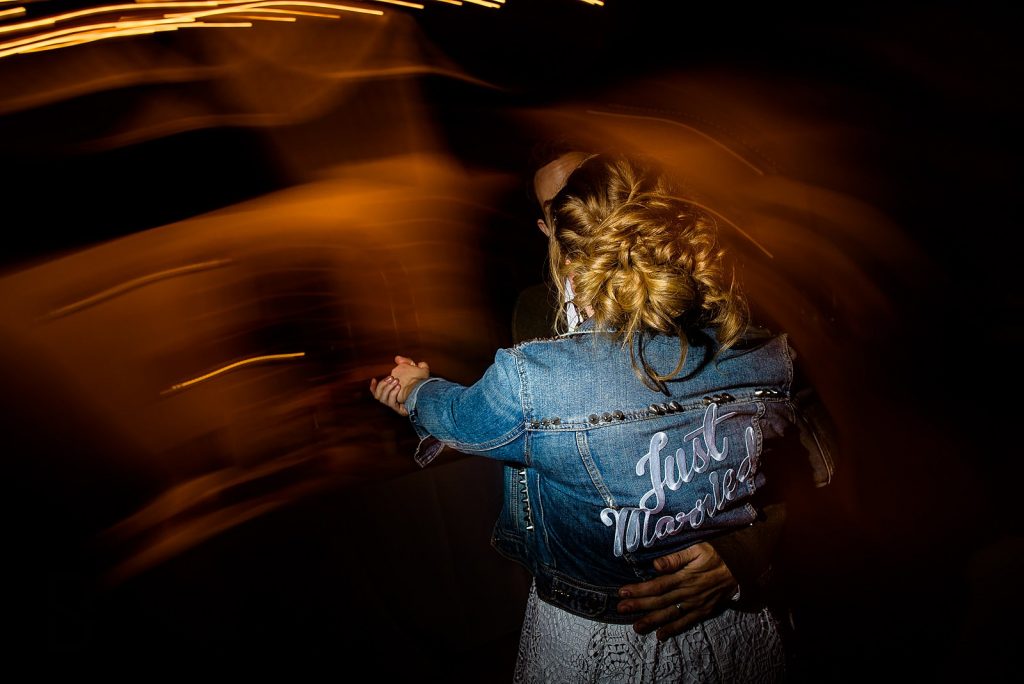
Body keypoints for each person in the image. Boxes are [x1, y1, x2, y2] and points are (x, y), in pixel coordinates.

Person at [371, 152, 826, 680]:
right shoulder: (758, 350)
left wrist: (417, 390)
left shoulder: (533, 373)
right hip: (720, 633)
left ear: (566, 247)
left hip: (628, 633)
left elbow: (811, 461)